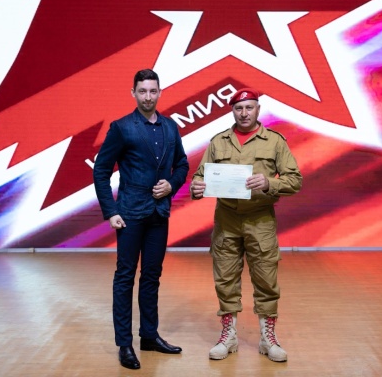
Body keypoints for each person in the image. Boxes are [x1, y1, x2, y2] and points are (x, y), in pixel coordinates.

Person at [189, 88, 302, 362]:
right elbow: (200, 176)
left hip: (260, 219)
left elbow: (295, 180)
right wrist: (196, 187)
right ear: (232, 111)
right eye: (239, 108)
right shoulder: (218, 142)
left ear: (258, 110)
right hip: (226, 220)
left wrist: (269, 183)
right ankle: (228, 337)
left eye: (249, 108)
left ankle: (267, 338)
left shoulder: (274, 142)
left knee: (266, 279)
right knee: (225, 279)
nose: (244, 113)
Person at [93, 69, 189, 370]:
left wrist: (172, 184)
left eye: (153, 91)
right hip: (130, 214)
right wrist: (111, 211)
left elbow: (182, 164)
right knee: (125, 278)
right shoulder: (122, 128)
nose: (148, 96)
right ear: (133, 93)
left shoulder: (170, 127)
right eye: (143, 91)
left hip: (159, 214)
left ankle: (149, 336)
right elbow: (101, 170)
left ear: (160, 92)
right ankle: (125, 344)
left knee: (151, 277)